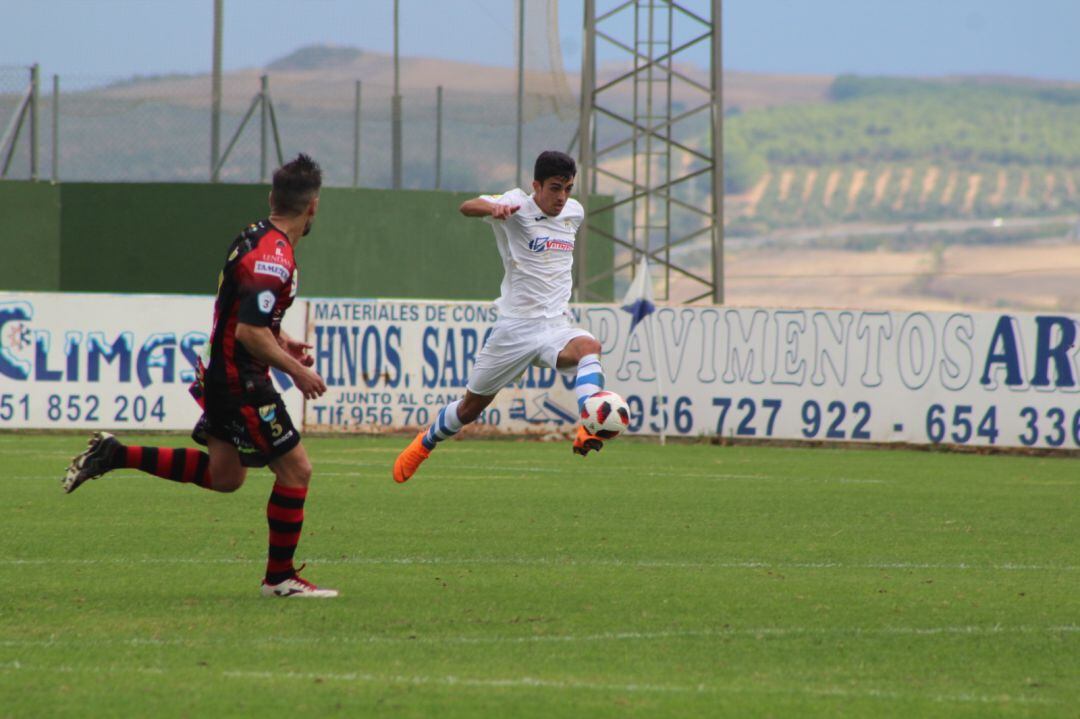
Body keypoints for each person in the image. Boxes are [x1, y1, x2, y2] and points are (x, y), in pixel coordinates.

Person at [63, 154, 337, 598]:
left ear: (272, 198)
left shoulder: (254, 235)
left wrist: (280, 339)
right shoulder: (275, 259)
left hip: (220, 371)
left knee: (226, 476)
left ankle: (114, 454)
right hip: (240, 379)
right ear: (313, 207)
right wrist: (296, 372)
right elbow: (249, 330)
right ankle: (280, 578)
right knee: (296, 469)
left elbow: (243, 311)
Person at [393, 150, 608, 483]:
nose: (562, 197)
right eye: (554, 188)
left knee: (589, 347)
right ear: (536, 185)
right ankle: (425, 443)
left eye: (568, 188)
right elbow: (466, 207)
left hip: (555, 326)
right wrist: (494, 208)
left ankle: (589, 422)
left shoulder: (574, 213)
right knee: (470, 409)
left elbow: (568, 208)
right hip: (515, 330)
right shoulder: (516, 204)